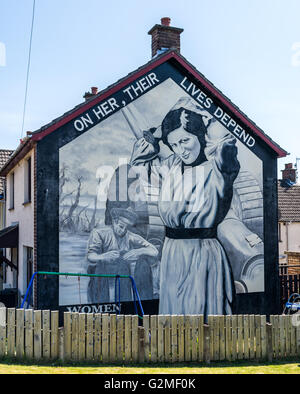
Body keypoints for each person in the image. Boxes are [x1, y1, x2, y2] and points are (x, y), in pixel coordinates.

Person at [130, 96, 240, 316]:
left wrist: (200, 115)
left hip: (203, 252)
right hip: (172, 252)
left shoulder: (218, 166)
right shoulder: (170, 166)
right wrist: (158, 133)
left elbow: (226, 137)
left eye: (186, 141)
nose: (181, 150)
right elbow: (139, 164)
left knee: (202, 311)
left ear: (199, 135)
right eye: (174, 144)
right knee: (173, 314)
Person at [86, 207, 158, 304]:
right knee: (99, 267)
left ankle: (127, 304)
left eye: (126, 228)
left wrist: (139, 251)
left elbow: (154, 251)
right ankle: (101, 306)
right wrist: (103, 256)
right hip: (101, 270)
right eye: (121, 226)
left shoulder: (131, 236)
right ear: (114, 222)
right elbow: (90, 256)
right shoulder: (100, 233)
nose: (123, 230)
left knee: (132, 264)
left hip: (121, 270)